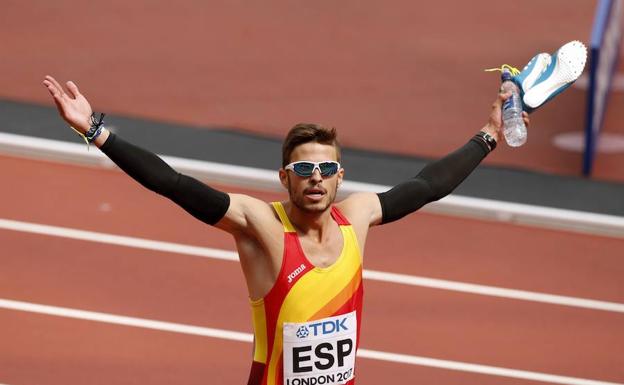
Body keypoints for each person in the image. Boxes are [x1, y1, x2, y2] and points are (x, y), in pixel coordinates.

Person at [43, 75, 528, 385]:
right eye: (302, 171)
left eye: (324, 170)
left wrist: (488, 135)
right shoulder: (261, 227)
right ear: (284, 178)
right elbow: (174, 184)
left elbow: (426, 185)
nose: (314, 179)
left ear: (340, 176)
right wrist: (96, 131)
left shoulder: (358, 217)